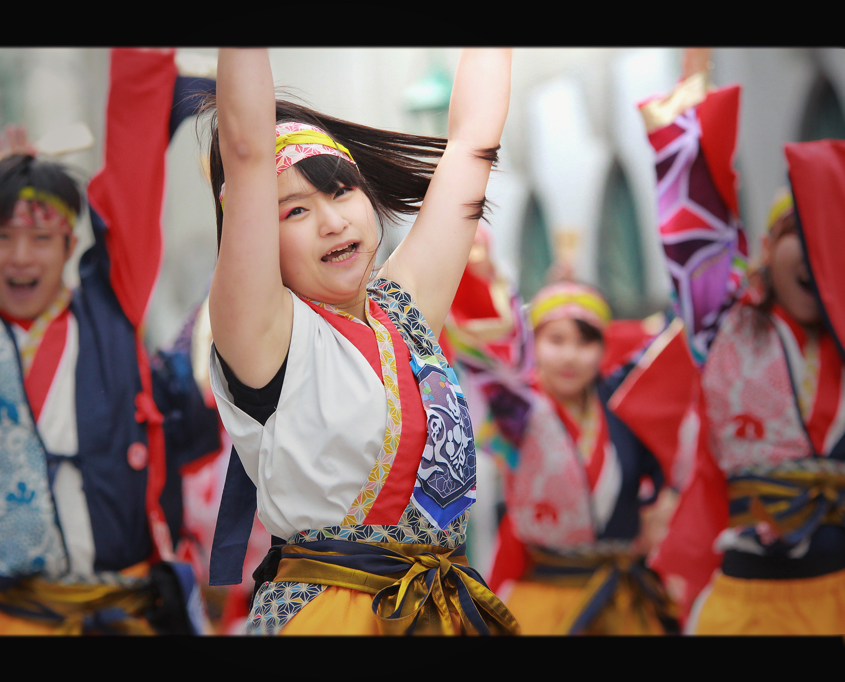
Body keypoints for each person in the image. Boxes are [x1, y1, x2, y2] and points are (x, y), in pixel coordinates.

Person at [0, 48, 220, 635]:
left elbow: (130, 176)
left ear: (71, 246)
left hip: (127, 612)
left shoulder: (111, 304)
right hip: (13, 618)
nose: (21, 257)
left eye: (41, 237)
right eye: (2, 237)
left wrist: (143, 65)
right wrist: (6, 189)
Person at [205, 48, 518, 635]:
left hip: (438, 613)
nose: (332, 221)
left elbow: (474, 138)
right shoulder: (263, 335)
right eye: (294, 211)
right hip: (329, 618)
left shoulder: (403, 310)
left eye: (342, 192)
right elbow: (246, 153)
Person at [615, 47, 845, 635]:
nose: (818, 256)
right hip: (748, 603)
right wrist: (692, 115)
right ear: (767, 248)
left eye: (832, 239)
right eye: (799, 233)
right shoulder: (723, 321)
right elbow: (699, 235)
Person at [455, 268, 677, 635]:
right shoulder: (517, 412)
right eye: (556, 340)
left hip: (623, 601)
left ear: (603, 349)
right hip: (545, 598)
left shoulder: (625, 409)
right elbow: (478, 352)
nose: (570, 356)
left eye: (584, 342)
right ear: (533, 346)